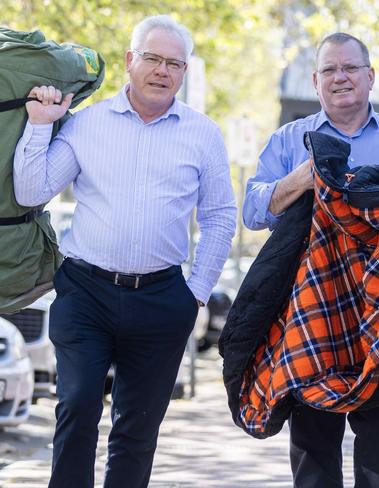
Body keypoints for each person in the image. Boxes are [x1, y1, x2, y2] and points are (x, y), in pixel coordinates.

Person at [13, 15, 236, 488]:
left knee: (137, 428)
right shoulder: (87, 124)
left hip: (162, 298)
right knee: (76, 407)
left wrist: (194, 293)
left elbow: (219, 217)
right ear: (130, 60)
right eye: (152, 58)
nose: (163, 71)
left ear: (184, 72)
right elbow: (33, 191)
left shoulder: (203, 134)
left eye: (175, 63)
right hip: (85, 292)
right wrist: (37, 126)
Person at [243, 32, 379, 488]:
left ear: (370, 76)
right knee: (312, 435)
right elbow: (252, 211)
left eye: (350, 68)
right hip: (311, 310)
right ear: (315, 80)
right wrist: (299, 180)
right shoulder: (290, 140)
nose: (340, 78)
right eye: (330, 70)